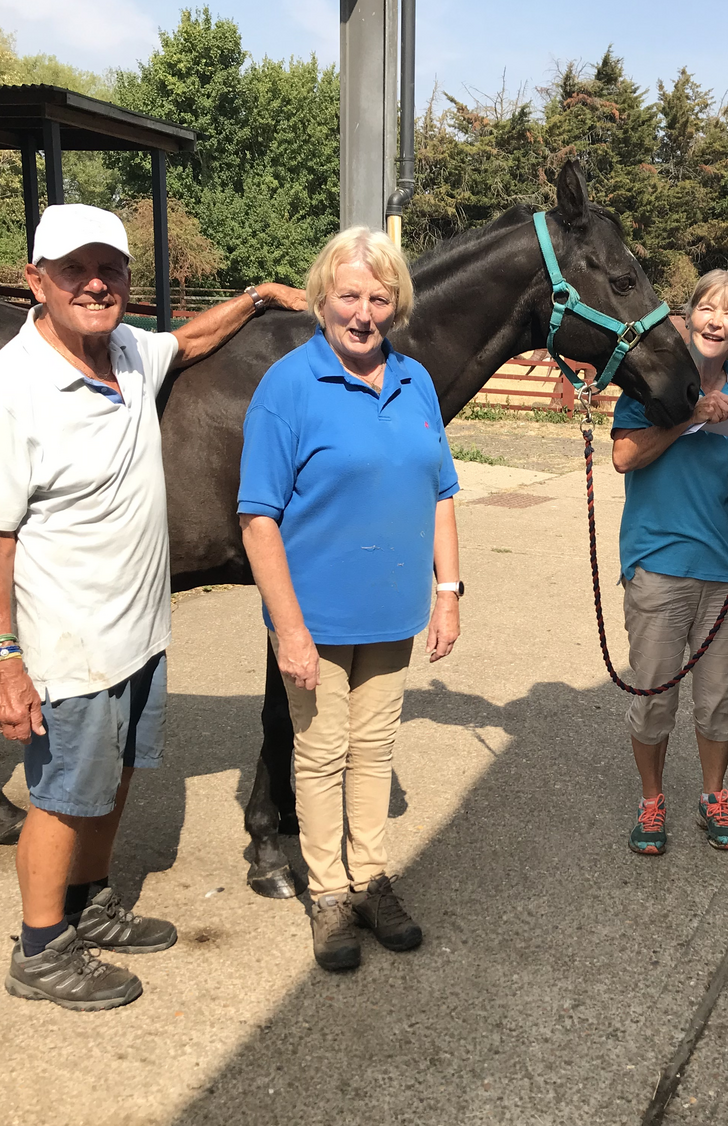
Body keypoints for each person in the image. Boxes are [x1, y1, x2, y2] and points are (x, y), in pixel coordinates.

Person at [0, 202, 306, 1010]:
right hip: (67, 634)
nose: (95, 284)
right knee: (63, 792)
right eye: (74, 270)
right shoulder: (16, 385)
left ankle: (91, 901)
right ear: (37, 280)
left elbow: (194, 339)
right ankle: (39, 948)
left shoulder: (130, 350)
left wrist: (257, 296)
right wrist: (5, 657)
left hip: (136, 630)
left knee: (116, 777)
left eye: (111, 269)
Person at [238, 226, 460, 972]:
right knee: (322, 751)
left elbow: (443, 492)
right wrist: (289, 629)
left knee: (374, 751)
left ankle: (370, 879)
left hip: (393, 613)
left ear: (396, 302)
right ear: (320, 300)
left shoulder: (415, 381)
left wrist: (449, 590)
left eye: (378, 296)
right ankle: (329, 893)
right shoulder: (289, 387)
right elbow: (257, 517)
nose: (363, 312)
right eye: (348, 296)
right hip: (318, 618)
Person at [611, 269, 728, 856]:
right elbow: (624, 457)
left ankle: (713, 797)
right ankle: (652, 802)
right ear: (688, 314)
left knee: (720, 699)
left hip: (727, 568)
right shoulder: (650, 380)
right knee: (654, 695)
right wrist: (690, 418)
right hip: (658, 563)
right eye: (707, 307)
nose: (715, 320)